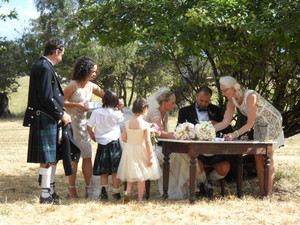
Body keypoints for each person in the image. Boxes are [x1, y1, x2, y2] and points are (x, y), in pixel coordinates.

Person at [214, 76, 285, 196]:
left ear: (232, 88)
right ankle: (262, 190)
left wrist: (234, 134)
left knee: (267, 154)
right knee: (257, 155)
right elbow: (225, 122)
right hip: (259, 124)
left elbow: (250, 123)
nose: (223, 94)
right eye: (221, 91)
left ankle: (268, 193)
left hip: (272, 122)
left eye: (224, 91)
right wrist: (203, 131)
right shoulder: (232, 100)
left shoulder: (250, 96)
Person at [23, 37, 72, 204]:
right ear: (56, 52)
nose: (61, 58)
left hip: (47, 117)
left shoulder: (43, 65)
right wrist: (61, 114)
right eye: (62, 54)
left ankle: (50, 190)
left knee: (52, 156)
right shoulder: (44, 67)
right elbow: (46, 97)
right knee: (47, 157)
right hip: (46, 117)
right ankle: (45, 195)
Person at [177, 86, 231, 197]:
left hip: (214, 149)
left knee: (225, 167)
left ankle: (207, 181)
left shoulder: (215, 110)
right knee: (195, 162)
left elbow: (227, 129)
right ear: (196, 97)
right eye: (201, 100)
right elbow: (179, 130)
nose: (203, 103)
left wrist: (216, 123)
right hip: (196, 151)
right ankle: (205, 184)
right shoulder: (184, 111)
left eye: (206, 101)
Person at [64, 56, 105, 198]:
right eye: (93, 71)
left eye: (95, 71)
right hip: (71, 125)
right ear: (85, 70)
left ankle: (89, 189)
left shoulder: (92, 86)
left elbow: (105, 96)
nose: (95, 74)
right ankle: (71, 189)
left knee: (87, 157)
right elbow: (60, 102)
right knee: (73, 158)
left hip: (84, 125)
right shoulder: (72, 85)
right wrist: (76, 105)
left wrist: (116, 100)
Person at [146, 88, 192, 199]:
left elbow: (164, 133)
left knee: (183, 154)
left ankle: (183, 184)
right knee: (178, 155)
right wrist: (176, 136)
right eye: (173, 102)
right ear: (164, 103)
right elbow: (158, 133)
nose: (175, 105)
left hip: (159, 145)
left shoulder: (165, 114)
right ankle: (179, 186)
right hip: (150, 147)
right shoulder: (155, 113)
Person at [117, 97, 161, 203]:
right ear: (145, 109)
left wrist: (131, 141)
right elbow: (147, 142)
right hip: (141, 149)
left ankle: (127, 192)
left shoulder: (128, 122)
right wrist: (150, 155)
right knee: (142, 176)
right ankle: (140, 199)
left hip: (130, 149)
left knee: (131, 174)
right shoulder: (145, 124)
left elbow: (123, 138)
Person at [87, 89, 124, 201]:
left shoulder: (97, 112)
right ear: (116, 101)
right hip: (114, 143)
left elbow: (89, 126)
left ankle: (104, 192)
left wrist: (92, 135)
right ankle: (116, 192)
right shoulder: (117, 113)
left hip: (102, 143)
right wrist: (121, 108)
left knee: (104, 169)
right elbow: (123, 121)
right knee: (115, 169)